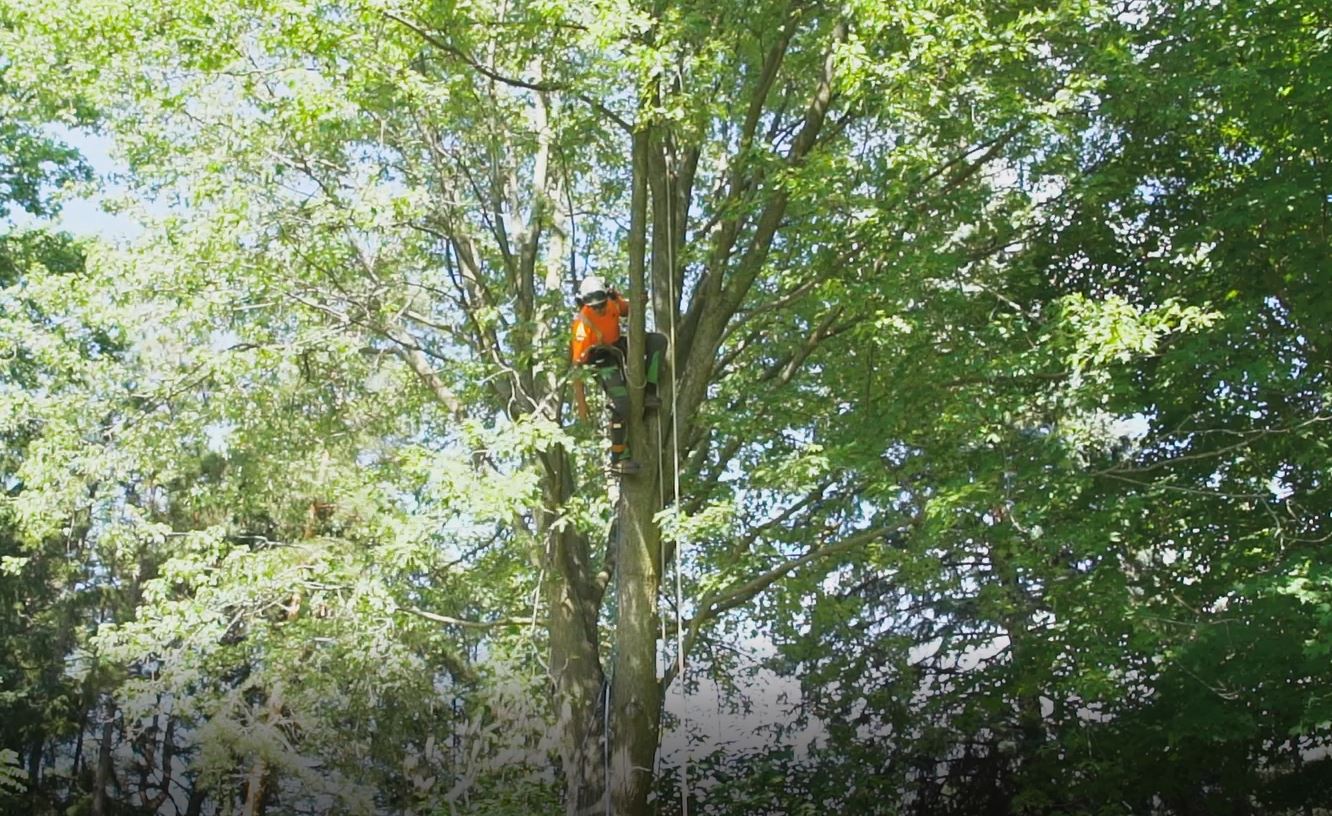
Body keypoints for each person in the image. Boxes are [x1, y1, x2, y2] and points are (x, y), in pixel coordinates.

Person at [570, 275, 667, 476]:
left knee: (657, 341)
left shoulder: (612, 302)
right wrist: (581, 403)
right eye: (595, 307)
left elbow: (628, 309)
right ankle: (618, 457)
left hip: (617, 346)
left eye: (602, 304)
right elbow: (577, 367)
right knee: (622, 404)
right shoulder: (582, 324)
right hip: (600, 359)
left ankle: (649, 392)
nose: (600, 309)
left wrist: (640, 301)